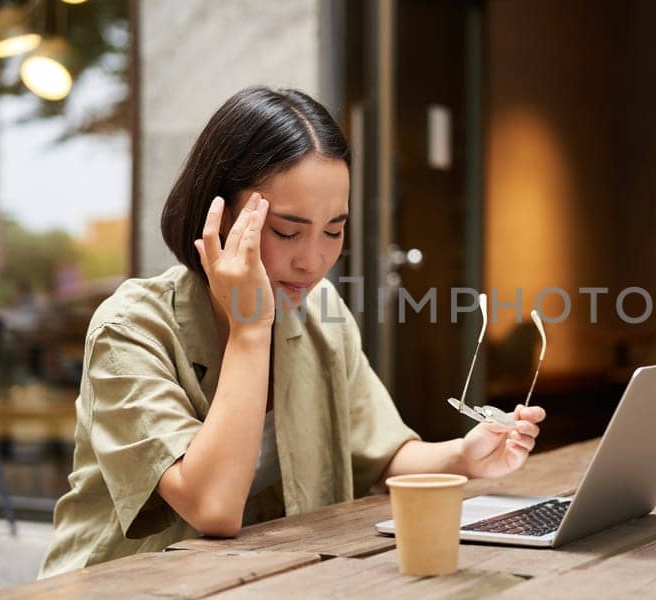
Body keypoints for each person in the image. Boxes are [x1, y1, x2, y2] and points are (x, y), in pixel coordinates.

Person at [40, 86, 547, 576]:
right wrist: (250, 328)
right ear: (216, 215)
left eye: (334, 230)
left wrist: (465, 456)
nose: (313, 261)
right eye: (287, 231)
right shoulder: (130, 329)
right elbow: (213, 507)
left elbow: (382, 453)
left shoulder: (320, 311)